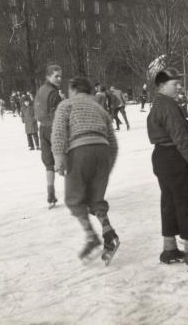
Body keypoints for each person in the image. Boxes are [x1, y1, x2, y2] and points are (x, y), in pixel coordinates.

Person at [51, 76, 119, 264]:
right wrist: (106, 167)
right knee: (95, 198)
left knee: (74, 199)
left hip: (80, 151)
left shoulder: (66, 105)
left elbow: (58, 133)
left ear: (73, 90)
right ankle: (108, 233)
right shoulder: (100, 109)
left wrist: (59, 159)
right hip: (103, 151)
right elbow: (113, 143)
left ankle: (91, 237)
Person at [147, 68, 188, 265]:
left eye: (179, 83)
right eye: (175, 84)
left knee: (169, 202)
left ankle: (169, 248)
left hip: (162, 156)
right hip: (175, 156)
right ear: (162, 86)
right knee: (185, 202)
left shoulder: (158, 104)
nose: (179, 87)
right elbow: (180, 138)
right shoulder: (169, 106)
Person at [34, 63, 63, 208]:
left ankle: (50, 194)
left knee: (49, 164)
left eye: (60, 76)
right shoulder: (53, 94)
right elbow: (57, 114)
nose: (59, 79)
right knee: (63, 160)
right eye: (56, 76)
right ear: (48, 77)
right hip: (53, 129)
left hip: (42, 129)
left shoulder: (41, 90)